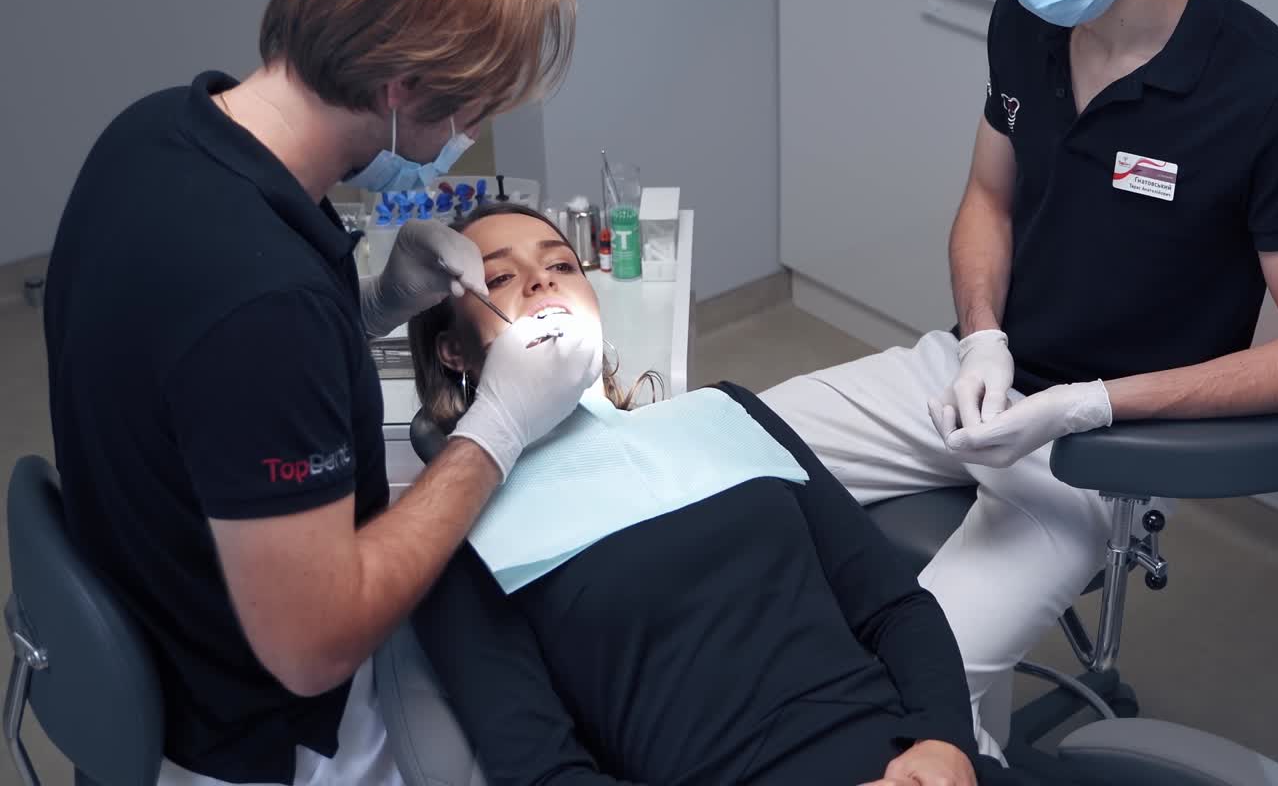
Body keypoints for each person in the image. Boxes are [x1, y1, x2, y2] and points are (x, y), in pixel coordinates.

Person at [760, 0, 1278, 755]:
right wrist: (982, 338)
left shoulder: (1256, 88)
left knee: (915, 682)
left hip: (1095, 454)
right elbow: (987, 199)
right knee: (716, 453)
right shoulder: (1030, 17)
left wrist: (1087, 406)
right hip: (968, 379)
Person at [44, 0, 603, 786]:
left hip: (168, 608)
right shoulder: (263, 304)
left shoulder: (155, 132)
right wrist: (495, 429)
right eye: (473, 111)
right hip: (252, 731)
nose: (471, 134)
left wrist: (371, 304)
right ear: (400, 88)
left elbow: (199, 378)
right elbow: (314, 648)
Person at [407, 205, 1082, 786]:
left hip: (916, 764)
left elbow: (895, 607)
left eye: (561, 264)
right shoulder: (456, 536)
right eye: (500, 277)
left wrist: (943, 740)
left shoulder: (724, 414)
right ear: (452, 353)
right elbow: (546, 774)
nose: (542, 280)